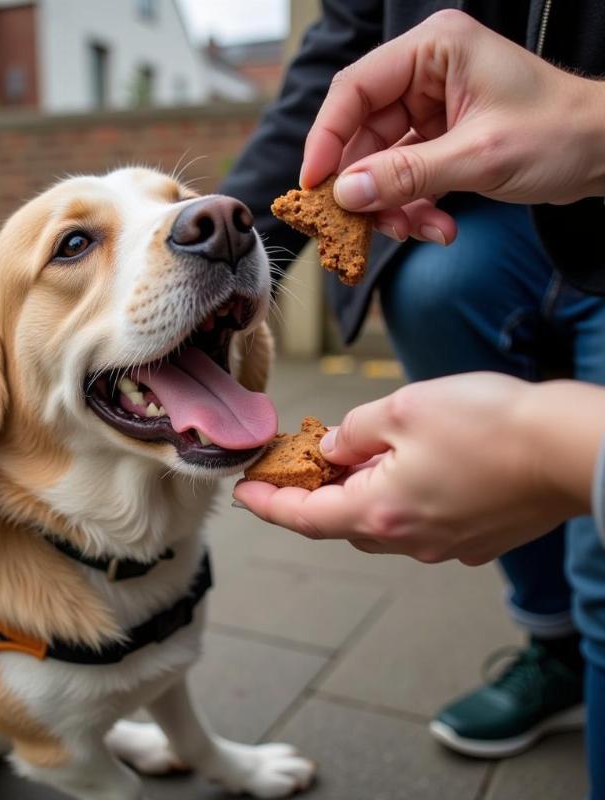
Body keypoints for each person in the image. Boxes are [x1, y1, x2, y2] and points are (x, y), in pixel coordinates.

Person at [220, 0, 605, 780]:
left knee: (602, 574)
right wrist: (220, 268)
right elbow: (334, 62)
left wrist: (594, 123)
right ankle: (554, 639)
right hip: (494, 208)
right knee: (434, 282)